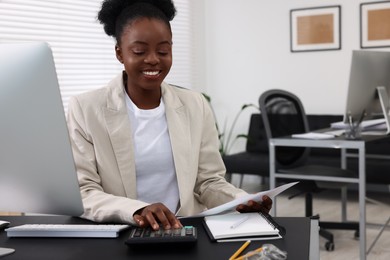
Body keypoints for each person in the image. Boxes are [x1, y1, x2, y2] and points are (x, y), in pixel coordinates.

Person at [67, 0, 272, 231]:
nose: (154, 59)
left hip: (184, 232)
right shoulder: (85, 109)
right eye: (139, 51)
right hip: (122, 234)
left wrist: (240, 200)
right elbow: (83, 192)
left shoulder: (195, 105)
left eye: (163, 50)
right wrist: (137, 210)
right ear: (119, 53)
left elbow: (208, 181)